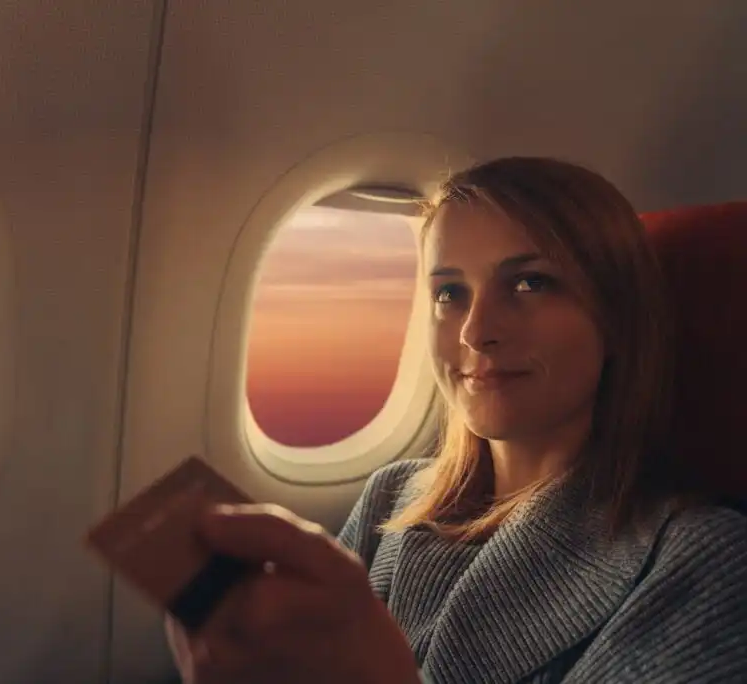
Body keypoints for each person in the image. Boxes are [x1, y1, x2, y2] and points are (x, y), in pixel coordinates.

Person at [164, 157, 747, 683]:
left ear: (618, 316)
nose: (475, 331)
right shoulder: (391, 496)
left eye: (530, 283)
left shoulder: (705, 561)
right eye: (449, 293)